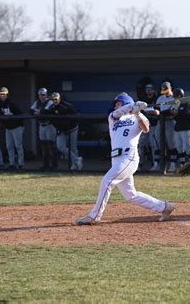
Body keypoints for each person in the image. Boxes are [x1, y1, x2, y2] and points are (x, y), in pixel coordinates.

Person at [74, 93, 175, 225]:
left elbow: (145, 129)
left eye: (119, 103)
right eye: (116, 104)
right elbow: (117, 113)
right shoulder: (113, 118)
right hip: (116, 159)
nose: (116, 106)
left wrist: (137, 112)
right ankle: (164, 207)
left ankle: (94, 215)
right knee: (130, 195)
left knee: (107, 181)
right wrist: (131, 106)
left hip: (129, 157)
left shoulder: (137, 116)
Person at [45, 92, 82, 170]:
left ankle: (76, 166)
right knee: (60, 146)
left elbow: (76, 114)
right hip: (61, 130)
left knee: (73, 147)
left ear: (59, 99)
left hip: (72, 128)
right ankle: (77, 159)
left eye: (56, 99)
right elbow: (50, 118)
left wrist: (67, 124)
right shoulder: (51, 107)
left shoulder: (67, 106)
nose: (54, 101)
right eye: (53, 99)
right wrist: (59, 127)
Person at [0, 86, 25, 169]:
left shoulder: (12, 103)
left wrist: (13, 117)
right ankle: (12, 163)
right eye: (1, 94)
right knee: (9, 146)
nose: (2, 96)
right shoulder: (0, 104)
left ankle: (21, 163)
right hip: (8, 128)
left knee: (18, 145)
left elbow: (20, 114)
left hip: (17, 126)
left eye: (4, 94)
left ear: (7, 94)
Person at [152, 81, 177, 173]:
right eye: (164, 89)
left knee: (171, 144)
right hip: (160, 122)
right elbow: (157, 108)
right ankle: (156, 164)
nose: (165, 91)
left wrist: (160, 112)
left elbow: (173, 111)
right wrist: (154, 111)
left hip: (170, 121)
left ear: (170, 88)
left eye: (166, 89)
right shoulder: (160, 98)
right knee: (158, 142)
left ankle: (173, 164)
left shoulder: (175, 97)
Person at [30, 88, 57, 170]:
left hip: (49, 125)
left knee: (51, 146)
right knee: (43, 146)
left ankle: (54, 165)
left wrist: (39, 111)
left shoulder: (50, 102)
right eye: (40, 95)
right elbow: (30, 111)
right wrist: (40, 111)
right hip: (41, 126)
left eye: (43, 95)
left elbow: (47, 111)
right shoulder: (37, 102)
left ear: (46, 95)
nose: (42, 96)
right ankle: (46, 165)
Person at [137, 83, 158, 171]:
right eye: (147, 89)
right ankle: (139, 164)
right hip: (144, 125)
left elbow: (159, 111)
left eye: (150, 89)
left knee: (154, 145)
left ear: (153, 90)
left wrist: (155, 112)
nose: (149, 91)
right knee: (140, 145)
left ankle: (155, 164)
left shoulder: (157, 99)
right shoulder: (143, 100)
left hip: (154, 125)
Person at [172, 88, 190, 166]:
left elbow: (187, 114)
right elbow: (173, 115)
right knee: (179, 148)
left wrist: (177, 112)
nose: (175, 98)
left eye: (177, 96)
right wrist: (174, 112)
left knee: (187, 148)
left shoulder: (187, 103)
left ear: (181, 95)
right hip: (178, 128)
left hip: (186, 128)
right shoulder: (175, 104)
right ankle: (182, 165)